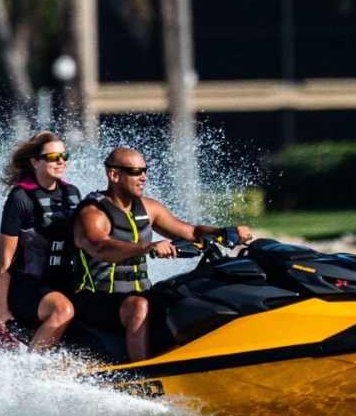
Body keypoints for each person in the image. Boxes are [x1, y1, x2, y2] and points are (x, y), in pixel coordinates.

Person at [72, 147, 253, 362]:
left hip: (140, 294)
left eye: (145, 170)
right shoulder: (92, 213)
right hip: (94, 300)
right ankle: (144, 375)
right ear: (114, 175)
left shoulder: (150, 208)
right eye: (136, 171)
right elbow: (99, 248)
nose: (144, 177)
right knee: (138, 306)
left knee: (183, 295)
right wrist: (147, 247)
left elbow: (191, 232)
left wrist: (224, 231)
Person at [0, 131, 81, 352]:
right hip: (28, 286)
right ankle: (32, 371)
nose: (61, 161)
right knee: (63, 311)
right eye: (52, 157)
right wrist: (1, 308)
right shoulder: (20, 198)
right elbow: (6, 259)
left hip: (64, 281)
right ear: (35, 161)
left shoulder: (72, 193)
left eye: (64, 155)